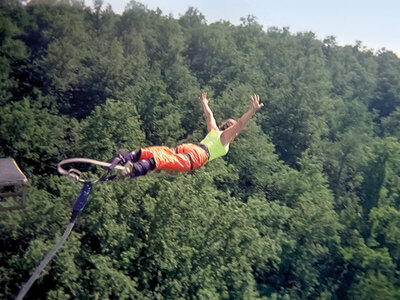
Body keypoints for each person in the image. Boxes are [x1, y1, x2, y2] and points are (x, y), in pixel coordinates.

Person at [121, 92, 263, 178]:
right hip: (198, 155)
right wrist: (252, 111)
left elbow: (209, 115)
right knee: (166, 161)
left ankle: (132, 156)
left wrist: (204, 103)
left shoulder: (214, 131)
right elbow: (240, 124)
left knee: (165, 151)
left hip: (190, 147)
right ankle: (136, 168)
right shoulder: (225, 138)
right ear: (231, 130)